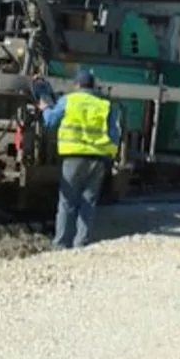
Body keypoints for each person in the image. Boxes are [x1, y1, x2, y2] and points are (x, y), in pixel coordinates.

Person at [37, 69, 120, 249]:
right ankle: (81, 243)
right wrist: (110, 157)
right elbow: (114, 135)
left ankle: (60, 244)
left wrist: (44, 108)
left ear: (77, 85)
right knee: (88, 202)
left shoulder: (69, 100)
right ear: (93, 86)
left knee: (67, 202)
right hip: (97, 160)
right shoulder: (105, 105)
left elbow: (50, 121)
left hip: (73, 158)